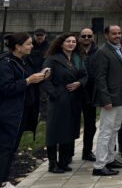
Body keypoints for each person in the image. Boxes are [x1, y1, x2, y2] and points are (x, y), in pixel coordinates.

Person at [0, 33, 47, 188]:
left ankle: (4, 179)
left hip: (22, 113)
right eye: (28, 44)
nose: (32, 46)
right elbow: (5, 88)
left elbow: (27, 82)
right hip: (9, 114)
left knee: (11, 147)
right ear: (18, 47)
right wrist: (28, 80)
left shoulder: (24, 61)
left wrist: (39, 77)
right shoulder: (5, 63)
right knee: (5, 148)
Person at [40, 33, 85, 173]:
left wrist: (79, 83)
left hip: (74, 98)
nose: (71, 44)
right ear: (61, 43)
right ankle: (52, 163)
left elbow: (85, 75)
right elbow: (44, 79)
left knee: (69, 129)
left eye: (73, 41)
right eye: (68, 41)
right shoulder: (52, 59)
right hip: (59, 98)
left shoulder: (78, 59)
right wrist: (55, 94)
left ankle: (64, 161)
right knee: (54, 130)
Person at [91, 25, 122, 176]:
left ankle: (110, 158)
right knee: (106, 131)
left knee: (114, 129)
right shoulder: (103, 52)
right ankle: (99, 165)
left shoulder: (117, 49)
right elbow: (100, 78)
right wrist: (105, 99)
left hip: (120, 95)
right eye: (114, 34)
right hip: (110, 98)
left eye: (119, 33)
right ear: (106, 35)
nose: (118, 36)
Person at [78, 28, 98, 162]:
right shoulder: (74, 50)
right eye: (84, 36)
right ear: (80, 37)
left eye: (89, 36)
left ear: (93, 37)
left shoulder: (97, 52)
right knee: (72, 123)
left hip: (91, 92)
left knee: (90, 124)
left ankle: (87, 151)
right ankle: (66, 154)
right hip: (75, 91)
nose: (86, 38)